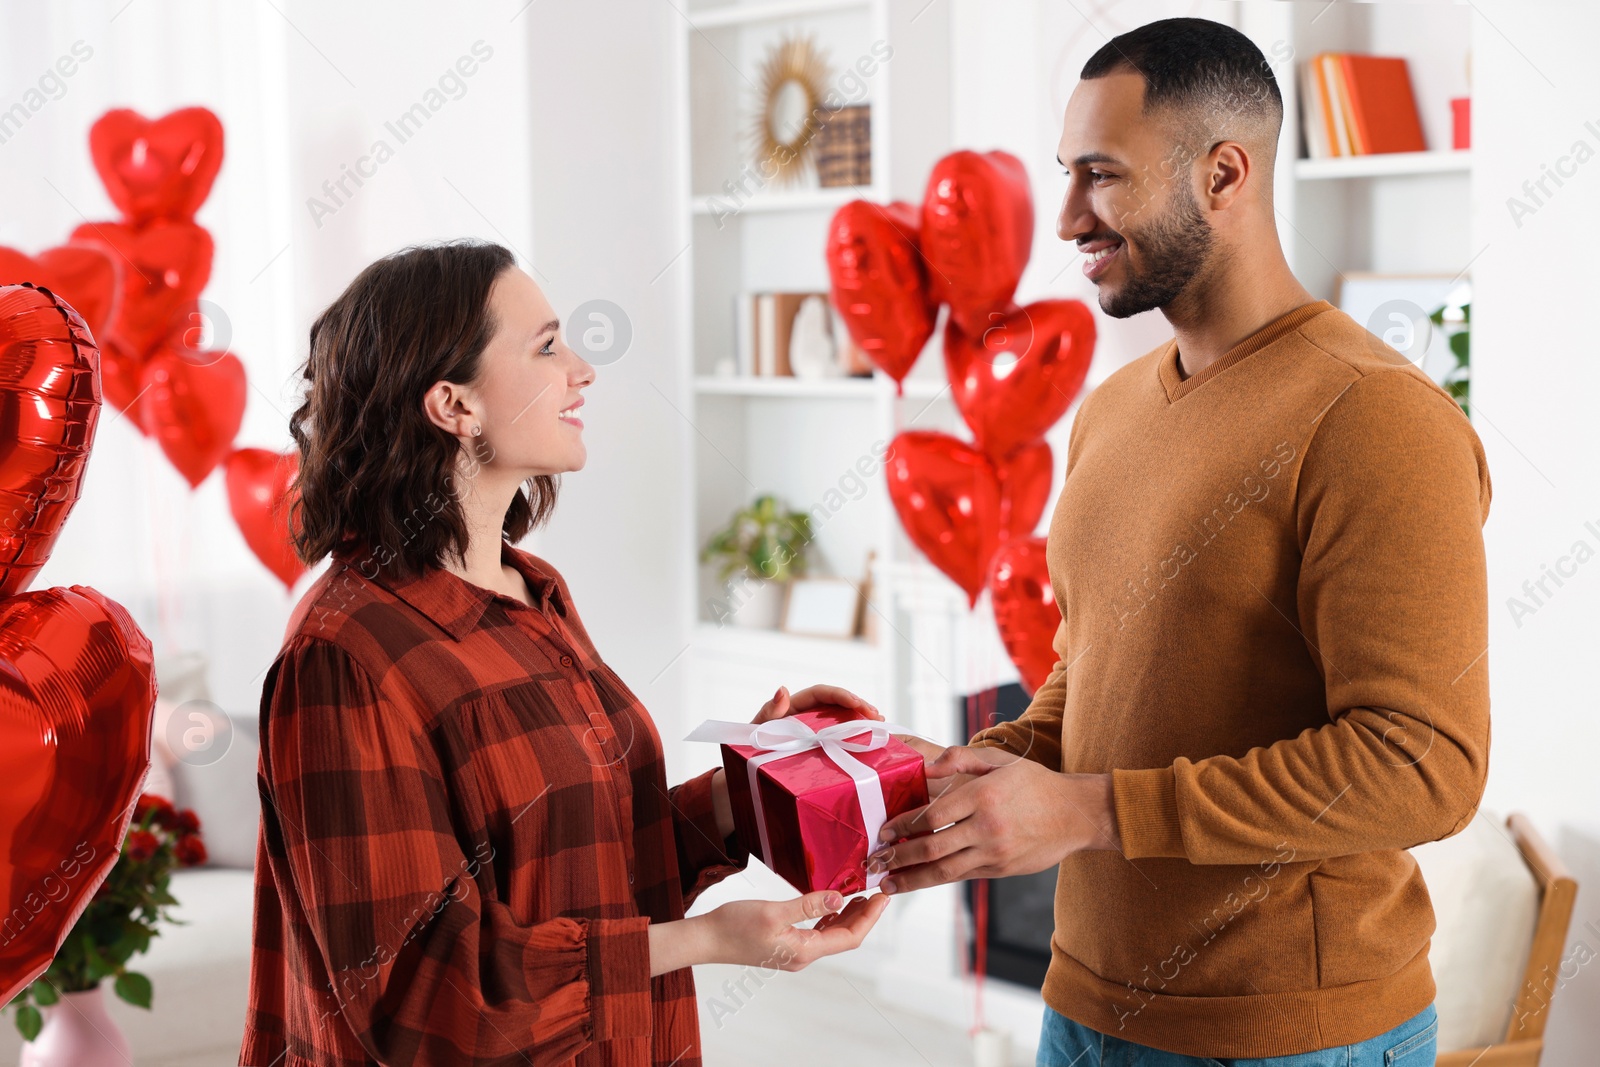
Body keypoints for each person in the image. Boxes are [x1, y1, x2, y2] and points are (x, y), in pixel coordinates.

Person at [872, 17, 1487, 1067]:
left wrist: (1089, 810)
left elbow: (1422, 762)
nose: (1066, 217)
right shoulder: (1111, 410)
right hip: (1084, 1005)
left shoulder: (1375, 416)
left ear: (1223, 175)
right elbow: (1092, 660)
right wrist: (986, 772)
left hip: (1288, 1035)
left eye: (1100, 177)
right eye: (1067, 175)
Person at [239, 240, 889, 1067]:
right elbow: (415, 995)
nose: (582, 370)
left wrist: (747, 786)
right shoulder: (344, 657)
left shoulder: (533, 590)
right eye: (547, 346)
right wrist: (701, 941)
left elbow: (589, 853)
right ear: (453, 404)